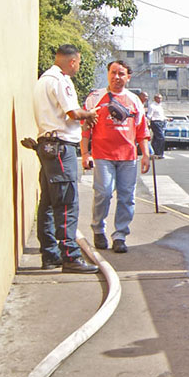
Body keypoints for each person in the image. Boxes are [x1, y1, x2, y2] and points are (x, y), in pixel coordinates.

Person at [31, 44, 99, 273]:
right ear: (72, 61)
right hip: (60, 146)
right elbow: (72, 112)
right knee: (67, 202)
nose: (78, 67)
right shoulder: (61, 80)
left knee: (49, 203)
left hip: (47, 145)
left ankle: (50, 254)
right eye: (78, 62)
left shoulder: (43, 80)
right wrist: (89, 114)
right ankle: (70, 255)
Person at [81, 60, 150, 254]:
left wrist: (145, 154)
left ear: (128, 77)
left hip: (128, 157)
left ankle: (120, 235)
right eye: (113, 73)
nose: (116, 77)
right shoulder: (95, 98)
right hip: (103, 155)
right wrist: (85, 153)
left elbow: (142, 131)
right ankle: (98, 229)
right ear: (108, 74)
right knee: (103, 192)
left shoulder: (134, 100)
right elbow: (86, 128)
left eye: (121, 74)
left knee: (127, 197)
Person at [146, 93, 167, 158]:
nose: (160, 99)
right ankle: (159, 153)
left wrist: (167, 118)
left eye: (161, 98)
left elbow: (161, 116)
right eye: (158, 98)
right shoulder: (152, 106)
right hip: (155, 122)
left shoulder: (160, 106)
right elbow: (149, 115)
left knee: (156, 138)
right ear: (155, 98)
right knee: (161, 138)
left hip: (161, 122)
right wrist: (148, 123)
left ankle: (154, 152)